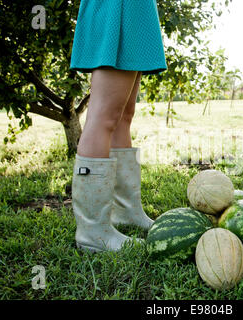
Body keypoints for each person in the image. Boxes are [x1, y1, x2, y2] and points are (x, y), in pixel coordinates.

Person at [69, 0, 167, 252]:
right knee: (103, 116)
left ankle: (126, 210)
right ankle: (92, 230)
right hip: (117, 7)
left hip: (136, 8)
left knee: (124, 115)